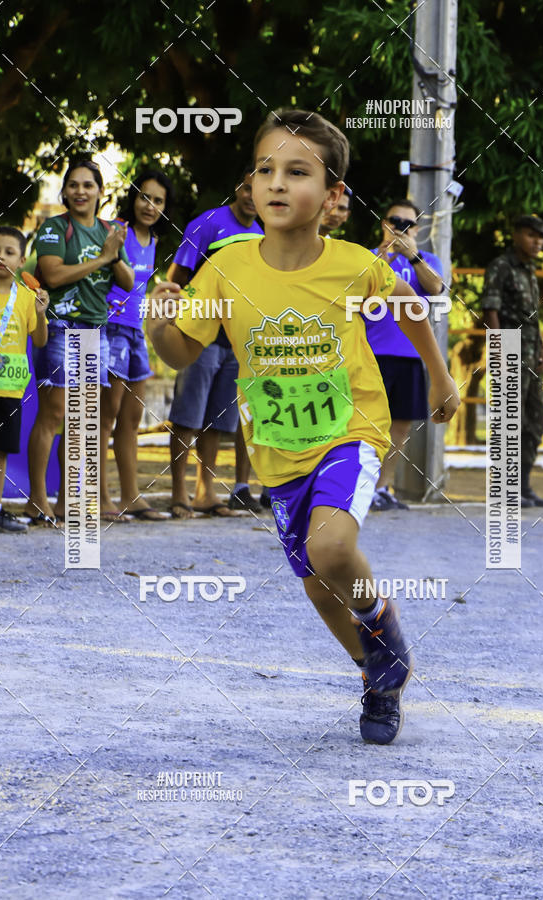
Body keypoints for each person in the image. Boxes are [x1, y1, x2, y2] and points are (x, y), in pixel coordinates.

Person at [148, 108, 459, 745]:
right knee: (320, 590)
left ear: (333, 194)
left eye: (297, 171)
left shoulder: (352, 264)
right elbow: (181, 353)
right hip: (278, 456)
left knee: (332, 549)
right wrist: (159, 321)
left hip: (351, 429)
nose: (277, 183)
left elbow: (411, 305)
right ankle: (380, 669)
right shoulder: (226, 270)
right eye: (266, 169)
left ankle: (383, 624)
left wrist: (440, 375)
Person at [26, 159, 134, 525]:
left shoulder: (109, 230)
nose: (80, 191)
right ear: (65, 191)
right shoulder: (54, 228)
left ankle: (64, 501)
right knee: (52, 415)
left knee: (81, 422)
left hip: (96, 331)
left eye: (88, 185)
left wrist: (113, 255)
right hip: (59, 328)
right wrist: (103, 257)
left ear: (100, 192)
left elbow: (129, 282)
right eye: (73, 185)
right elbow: (54, 276)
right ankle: (36, 500)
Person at [166, 170, 263, 518]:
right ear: (237, 188)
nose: (254, 195)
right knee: (187, 418)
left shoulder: (263, 232)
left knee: (218, 422)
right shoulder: (207, 223)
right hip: (200, 334)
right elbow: (176, 278)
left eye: (260, 188)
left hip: (237, 340)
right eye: (248, 187)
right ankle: (179, 495)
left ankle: (205, 494)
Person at [100, 170, 174, 522]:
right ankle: (101, 498)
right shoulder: (117, 230)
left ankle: (131, 497)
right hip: (110, 329)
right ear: (133, 198)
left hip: (135, 334)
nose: (150, 205)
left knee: (131, 420)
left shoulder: (154, 241)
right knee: (106, 417)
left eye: (158, 200)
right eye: (145, 197)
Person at [369, 199, 444, 510]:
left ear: (416, 229)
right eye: (393, 221)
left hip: (410, 356)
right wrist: (387, 253)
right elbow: (360, 289)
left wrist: (411, 256)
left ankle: (383, 488)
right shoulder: (370, 257)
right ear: (383, 222)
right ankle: (360, 488)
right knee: (367, 425)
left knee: (399, 429)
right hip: (371, 353)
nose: (399, 228)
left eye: (406, 224)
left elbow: (436, 288)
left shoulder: (426, 260)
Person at [481, 214, 543, 508]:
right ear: (517, 235)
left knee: (535, 421)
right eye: (532, 235)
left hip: (532, 354)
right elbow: (490, 309)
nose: (538, 242)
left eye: (541, 237)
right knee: (510, 421)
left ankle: (523, 486)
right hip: (510, 350)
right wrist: (498, 348)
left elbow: (532, 317)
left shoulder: (529, 270)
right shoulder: (501, 266)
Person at [0, 227, 49, 532]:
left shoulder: (27, 298)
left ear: (22, 260)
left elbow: (40, 341)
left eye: (9, 252)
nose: (0, 256)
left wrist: (41, 314)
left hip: (9, 389)